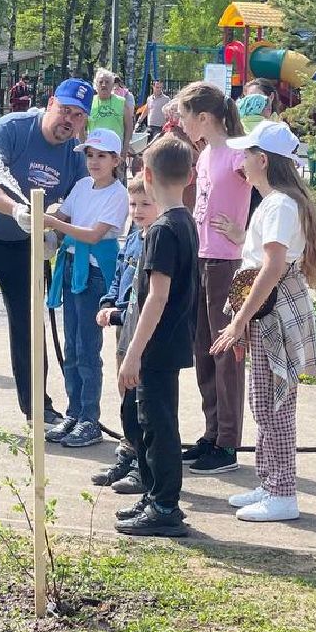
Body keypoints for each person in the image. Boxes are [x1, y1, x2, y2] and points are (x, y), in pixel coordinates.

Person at [0, 79, 91, 438]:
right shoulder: (11, 129)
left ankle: (37, 407)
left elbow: (76, 204)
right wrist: (17, 210)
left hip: (25, 243)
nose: (68, 121)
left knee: (29, 326)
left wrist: (55, 234)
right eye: (65, 110)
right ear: (51, 101)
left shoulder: (76, 156)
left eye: (78, 116)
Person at [210, 120, 316, 523]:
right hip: (269, 309)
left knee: (274, 404)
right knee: (264, 400)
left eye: (247, 154)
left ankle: (282, 493)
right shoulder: (277, 201)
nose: (240, 159)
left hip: (272, 311)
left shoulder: (278, 204)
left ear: (262, 160)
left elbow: (272, 265)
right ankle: (270, 481)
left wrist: (238, 320)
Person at [114, 136, 198, 537]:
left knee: (157, 426)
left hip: (157, 347)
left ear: (146, 177)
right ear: (191, 177)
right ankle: (154, 495)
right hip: (169, 342)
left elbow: (157, 296)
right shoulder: (185, 221)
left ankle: (165, 504)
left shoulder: (163, 230)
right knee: (148, 420)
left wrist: (133, 353)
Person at [177, 82, 251, 475]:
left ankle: (227, 443)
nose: (181, 123)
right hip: (203, 258)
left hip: (227, 263)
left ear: (203, 117)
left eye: (185, 116)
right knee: (204, 349)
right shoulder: (206, 155)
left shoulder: (239, 154)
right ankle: (211, 433)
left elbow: (278, 192)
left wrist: (248, 235)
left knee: (226, 353)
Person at [44, 129, 130, 448]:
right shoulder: (81, 186)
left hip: (93, 273)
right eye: (90, 155)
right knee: (71, 345)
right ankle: (74, 412)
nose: (94, 161)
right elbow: (62, 215)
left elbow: (94, 235)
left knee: (87, 348)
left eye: (102, 156)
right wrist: (42, 217)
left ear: (115, 160)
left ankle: (89, 419)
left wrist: (53, 223)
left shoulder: (118, 194)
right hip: (71, 269)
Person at [90, 174, 156, 492]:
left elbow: (145, 295)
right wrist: (107, 300)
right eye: (133, 203)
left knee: (141, 400)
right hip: (122, 332)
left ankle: (144, 467)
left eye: (146, 203)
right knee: (125, 394)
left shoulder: (155, 240)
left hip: (140, 332)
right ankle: (127, 454)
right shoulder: (132, 237)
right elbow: (119, 274)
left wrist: (116, 313)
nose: (138, 209)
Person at [88, 68, 134, 150]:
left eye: (107, 82)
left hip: (115, 151)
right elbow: (81, 130)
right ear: (95, 85)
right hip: (94, 151)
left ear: (113, 85)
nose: (104, 85)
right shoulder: (89, 103)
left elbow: (129, 128)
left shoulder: (121, 102)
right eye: (101, 82)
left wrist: (125, 150)